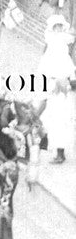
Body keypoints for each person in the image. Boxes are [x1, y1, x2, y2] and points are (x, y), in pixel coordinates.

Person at [38, 15, 75, 164]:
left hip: (60, 92)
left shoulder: (62, 52)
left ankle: (60, 153)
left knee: (60, 121)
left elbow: (68, 74)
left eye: (60, 27)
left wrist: (63, 83)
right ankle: (46, 146)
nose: (57, 30)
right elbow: (44, 71)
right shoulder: (51, 50)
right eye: (55, 27)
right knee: (48, 118)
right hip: (51, 88)